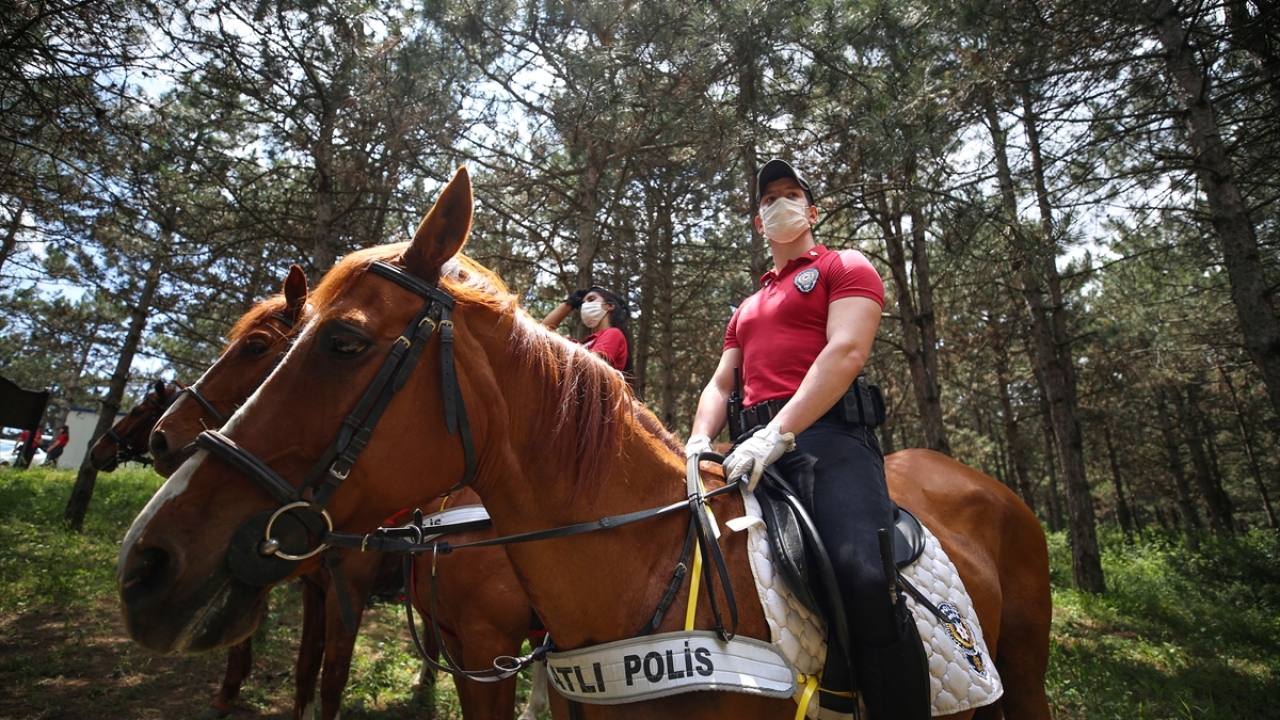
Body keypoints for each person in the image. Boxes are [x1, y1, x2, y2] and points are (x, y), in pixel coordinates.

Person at [684, 159, 930, 719]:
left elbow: (845, 351)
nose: (779, 204)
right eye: (768, 199)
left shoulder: (844, 266)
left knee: (861, 573)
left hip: (829, 443)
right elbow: (722, 383)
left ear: (812, 211)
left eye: (790, 194)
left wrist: (779, 431)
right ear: (758, 222)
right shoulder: (746, 309)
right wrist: (699, 439)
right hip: (749, 454)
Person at [542, 286, 633, 374]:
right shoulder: (583, 345)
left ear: (609, 305)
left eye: (591, 299)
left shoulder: (614, 333)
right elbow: (542, 335)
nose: (585, 305)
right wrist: (569, 303)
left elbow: (591, 367)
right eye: (582, 304)